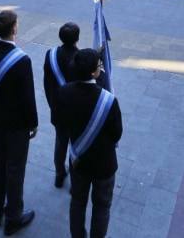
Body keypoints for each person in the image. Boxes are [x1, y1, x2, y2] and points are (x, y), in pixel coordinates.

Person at [0, 10, 37, 235]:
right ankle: (13, 217)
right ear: (14, 29)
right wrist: (33, 123)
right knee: (14, 168)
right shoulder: (22, 60)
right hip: (16, 125)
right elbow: (27, 97)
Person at [60, 48, 123, 238]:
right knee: (102, 207)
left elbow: (61, 121)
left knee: (77, 201)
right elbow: (117, 134)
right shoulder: (109, 100)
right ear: (95, 72)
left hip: (78, 159)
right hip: (104, 164)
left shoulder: (64, 92)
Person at [43, 22, 81, 189]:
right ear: (77, 38)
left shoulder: (50, 54)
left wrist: (51, 104)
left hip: (57, 108)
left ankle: (59, 174)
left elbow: (46, 83)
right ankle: (75, 181)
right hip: (76, 112)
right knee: (76, 146)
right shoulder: (81, 58)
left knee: (60, 143)